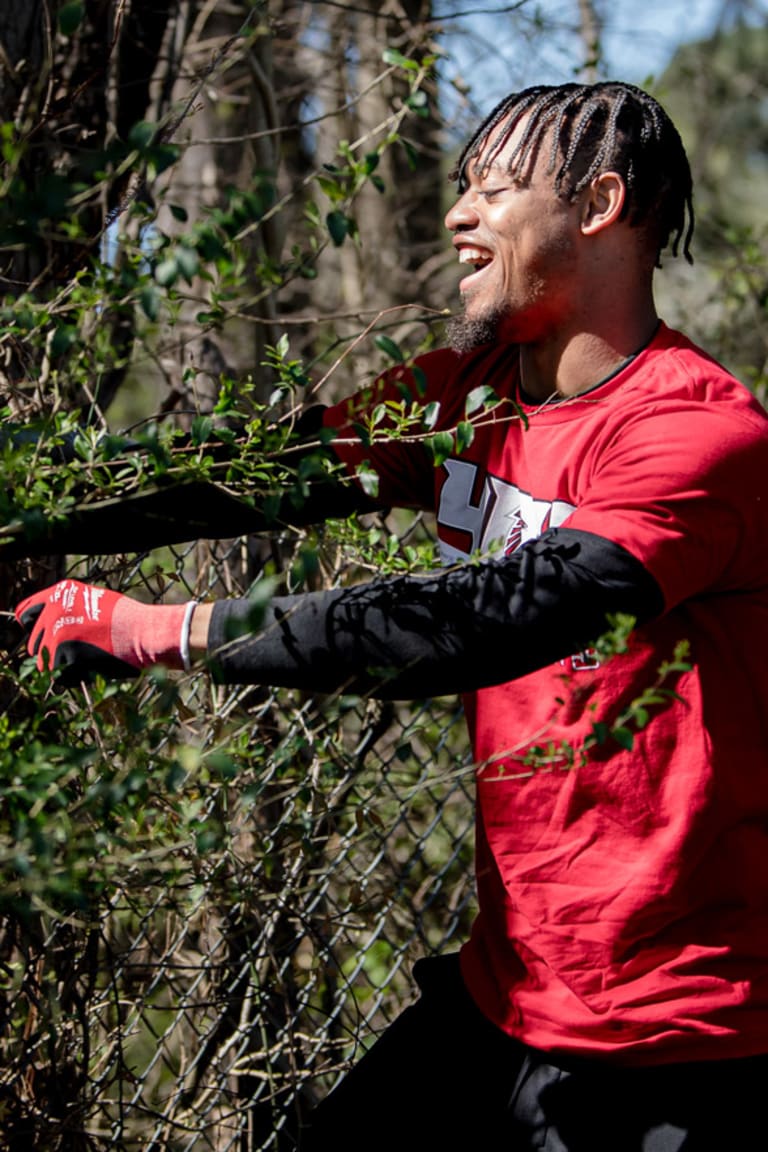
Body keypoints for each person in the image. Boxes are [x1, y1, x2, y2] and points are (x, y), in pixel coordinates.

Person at [14, 81, 768, 1150]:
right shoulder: (467, 390)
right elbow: (257, 471)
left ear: (598, 204)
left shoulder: (696, 435)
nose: (458, 216)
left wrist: (165, 630)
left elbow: (482, 618)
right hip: (504, 993)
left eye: (493, 191)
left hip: (676, 1042)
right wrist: (32, 502)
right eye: (460, 189)